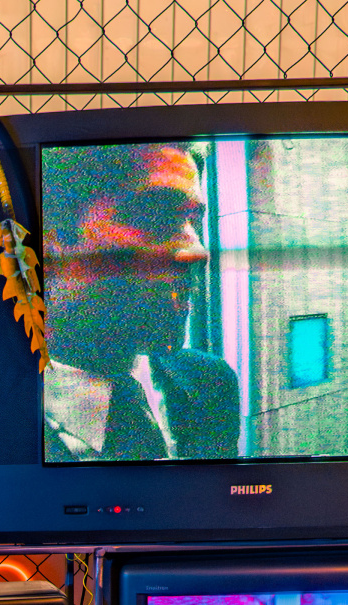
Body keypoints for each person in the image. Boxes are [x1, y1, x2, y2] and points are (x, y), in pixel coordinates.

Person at [40, 141, 240, 462]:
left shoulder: (211, 383)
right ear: (52, 242)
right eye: (155, 215)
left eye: (194, 222)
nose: (197, 252)